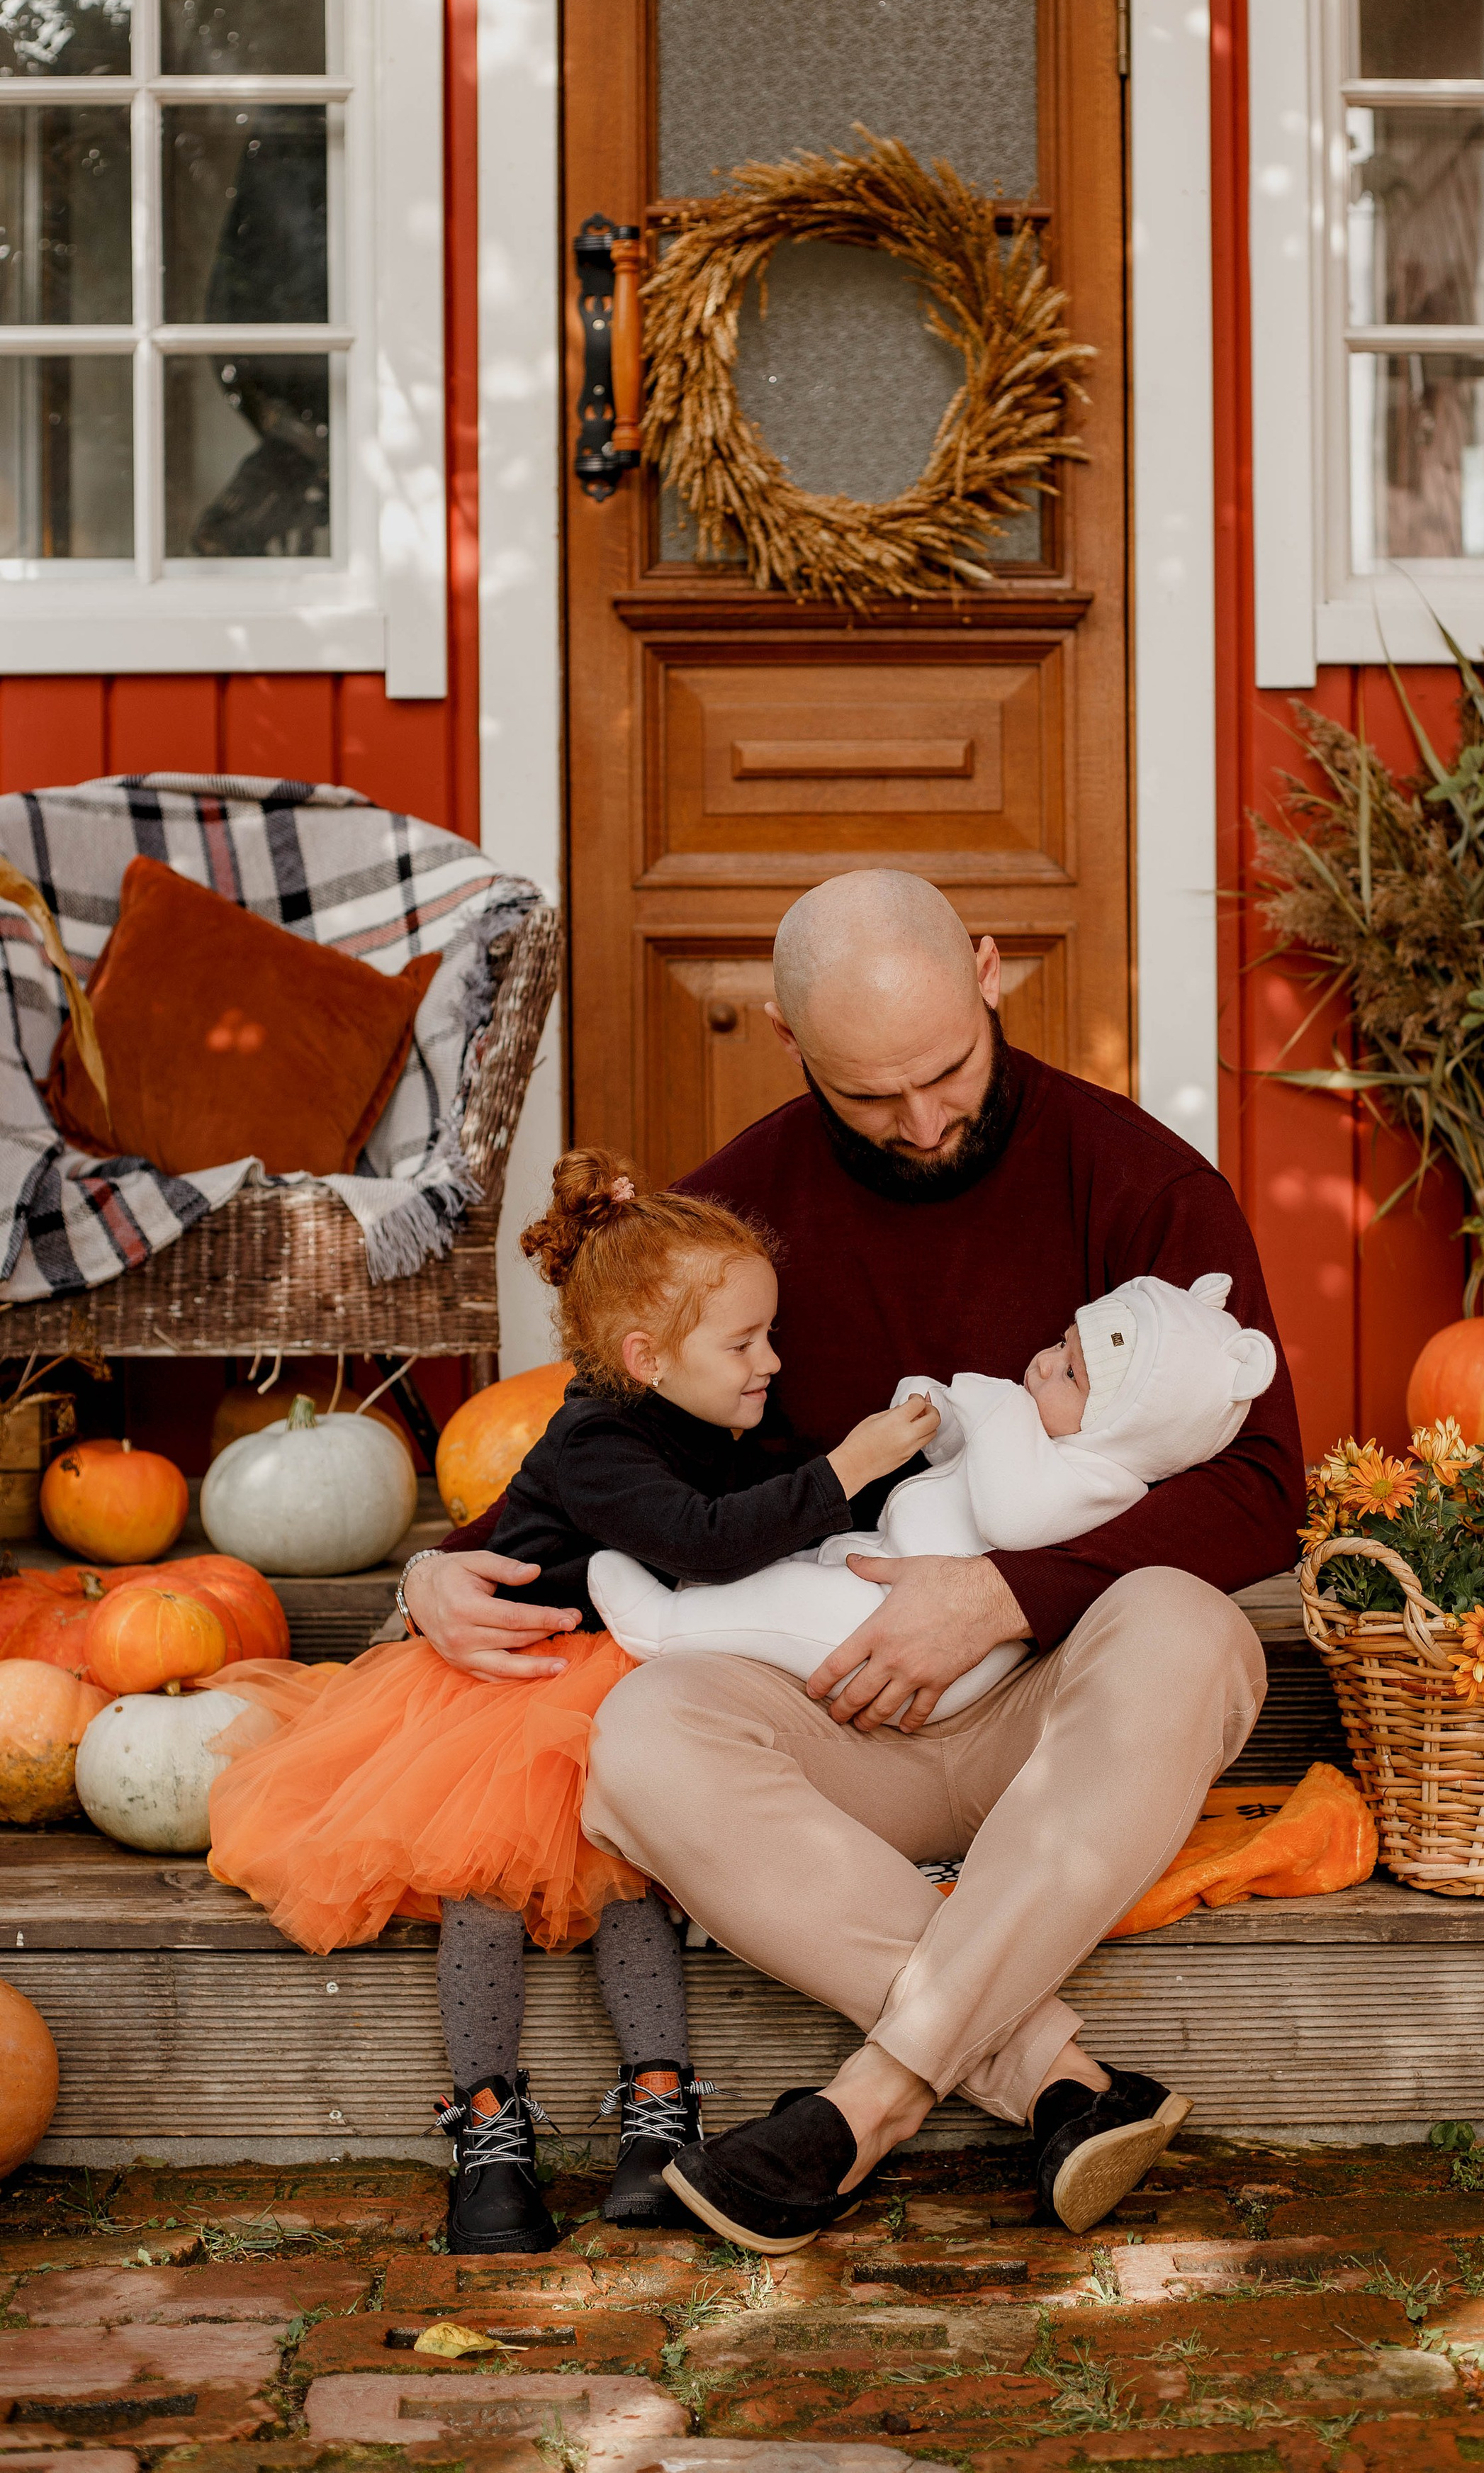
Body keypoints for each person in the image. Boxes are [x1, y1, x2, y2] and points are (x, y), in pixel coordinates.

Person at [402, 869, 1303, 2250]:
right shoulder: (735, 1212)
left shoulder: (1140, 1183)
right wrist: (444, 1568)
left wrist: (1000, 1595)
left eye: (947, 1072)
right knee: (641, 1736)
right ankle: (1052, 2081)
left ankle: (871, 2103)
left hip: (1064, 1720)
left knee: (1190, 1630)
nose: (924, 1121)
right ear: (786, 1040)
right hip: (835, 1710)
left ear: (990, 975)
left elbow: (1262, 1488)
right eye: (873, 1095)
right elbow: (606, 1450)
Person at [206, 1150, 935, 2252]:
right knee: (484, 1885)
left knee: (632, 1884)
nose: (772, 1362)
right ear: (647, 1357)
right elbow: (707, 1540)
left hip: (627, 1684)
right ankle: (490, 2142)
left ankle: (658, 2118)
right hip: (517, 1691)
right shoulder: (596, 1440)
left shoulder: (703, 1412)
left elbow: (758, 1509)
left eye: (768, 1336)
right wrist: (850, 1466)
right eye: (746, 1344)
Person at [590, 1271, 1277, 1722]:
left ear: (1122, 1426)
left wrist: (994, 1405)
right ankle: (704, 1597)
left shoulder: (1104, 1480)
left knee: (793, 1605)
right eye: (1059, 1344)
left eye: (1071, 1373)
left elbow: (1011, 1517)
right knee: (792, 1573)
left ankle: (665, 1624)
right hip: (885, 1569)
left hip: (914, 1642)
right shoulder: (1053, 1436)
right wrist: (942, 1418)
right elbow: (964, 1469)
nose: (1044, 1363)